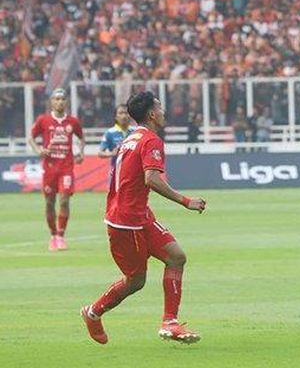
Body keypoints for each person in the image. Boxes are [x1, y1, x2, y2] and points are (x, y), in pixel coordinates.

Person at [80, 91, 207, 345]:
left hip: (139, 215)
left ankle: (170, 322)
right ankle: (93, 313)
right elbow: (151, 178)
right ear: (151, 113)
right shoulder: (150, 140)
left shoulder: (131, 138)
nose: (163, 112)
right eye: (160, 107)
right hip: (127, 222)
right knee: (136, 281)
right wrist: (186, 201)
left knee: (176, 257)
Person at [28, 88, 85, 251]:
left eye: (62, 99)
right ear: (51, 102)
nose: (60, 102)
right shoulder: (43, 120)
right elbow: (31, 137)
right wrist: (38, 150)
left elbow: (81, 138)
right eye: (57, 99)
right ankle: (53, 234)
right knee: (49, 202)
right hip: (50, 168)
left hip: (66, 167)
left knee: (65, 200)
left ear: (66, 102)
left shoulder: (73, 122)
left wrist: (80, 152)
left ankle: (60, 235)